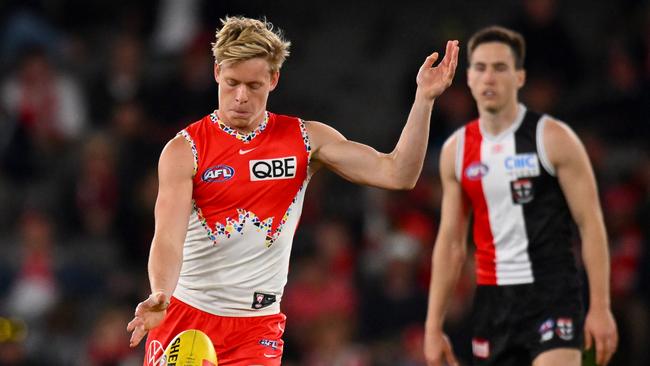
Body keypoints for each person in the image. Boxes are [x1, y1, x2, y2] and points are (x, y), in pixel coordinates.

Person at [126, 16, 459, 366]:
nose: (241, 97)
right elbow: (167, 237)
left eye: (254, 85)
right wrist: (160, 291)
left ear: (273, 79)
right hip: (186, 320)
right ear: (216, 72)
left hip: (256, 329)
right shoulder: (184, 150)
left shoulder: (305, 140)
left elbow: (398, 174)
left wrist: (424, 100)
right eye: (232, 82)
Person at [423, 26, 618, 366]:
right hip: (491, 301)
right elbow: (451, 243)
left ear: (520, 77)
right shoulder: (455, 151)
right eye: (481, 68)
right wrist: (432, 325)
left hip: (552, 292)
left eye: (500, 68)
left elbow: (591, 224)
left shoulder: (554, 139)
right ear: (468, 78)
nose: (489, 77)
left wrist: (600, 307)